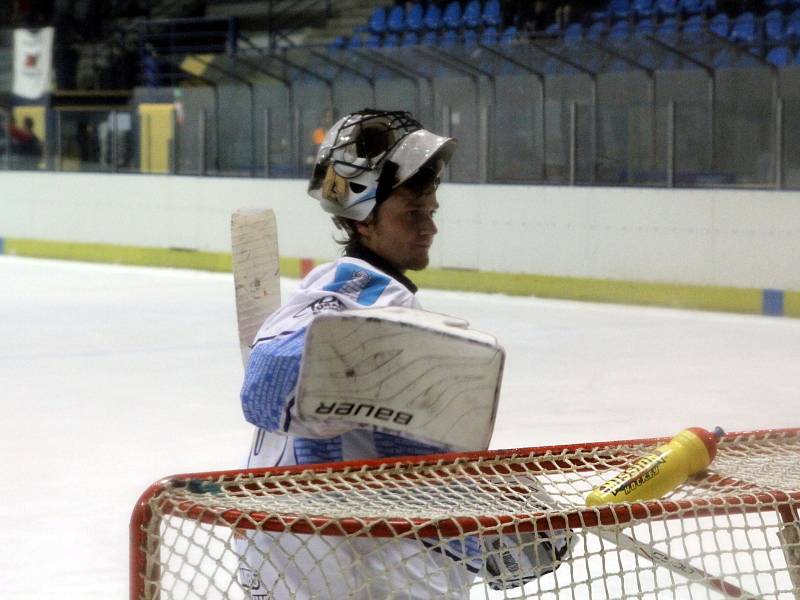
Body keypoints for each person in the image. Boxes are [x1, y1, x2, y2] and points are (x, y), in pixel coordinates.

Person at [236, 109, 571, 598]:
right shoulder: (362, 292)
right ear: (364, 220)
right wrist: (488, 522)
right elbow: (266, 384)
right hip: (323, 553)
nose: (429, 227)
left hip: (299, 545)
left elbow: (394, 448)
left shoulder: (359, 294)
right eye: (412, 214)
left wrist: (490, 516)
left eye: (430, 212)